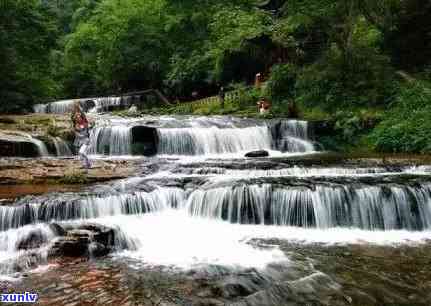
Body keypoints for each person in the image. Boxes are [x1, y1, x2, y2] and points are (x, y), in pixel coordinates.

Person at [72, 103, 92, 170]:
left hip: (86, 140)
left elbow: (83, 114)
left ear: (81, 118)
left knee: (81, 152)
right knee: (82, 154)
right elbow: (76, 133)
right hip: (79, 141)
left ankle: (88, 163)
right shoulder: (75, 125)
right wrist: (78, 134)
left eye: (79, 117)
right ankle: (86, 165)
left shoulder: (85, 123)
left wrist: (79, 108)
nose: (78, 119)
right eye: (76, 118)